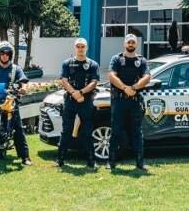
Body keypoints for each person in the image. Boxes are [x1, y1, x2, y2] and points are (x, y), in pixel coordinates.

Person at [107, 34, 150, 170]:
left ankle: (139, 162)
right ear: (124, 44)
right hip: (119, 100)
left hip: (134, 101)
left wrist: (134, 88)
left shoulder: (141, 60)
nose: (131, 44)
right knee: (116, 131)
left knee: (137, 132)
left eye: (133, 42)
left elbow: (147, 77)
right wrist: (125, 88)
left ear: (136, 45)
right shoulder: (117, 59)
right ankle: (111, 161)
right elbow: (112, 76)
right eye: (129, 42)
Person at [56, 38, 100, 169]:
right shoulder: (67, 63)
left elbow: (94, 82)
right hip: (70, 100)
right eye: (78, 46)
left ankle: (91, 161)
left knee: (87, 131)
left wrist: (80, 93)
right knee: (66, 131)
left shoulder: (93, 64)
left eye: (83, 46)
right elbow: (64, 80)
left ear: (87, 48)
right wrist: (74, 93)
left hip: (86, 101)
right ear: (75, 48)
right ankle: (60, 160)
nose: (80, 49)